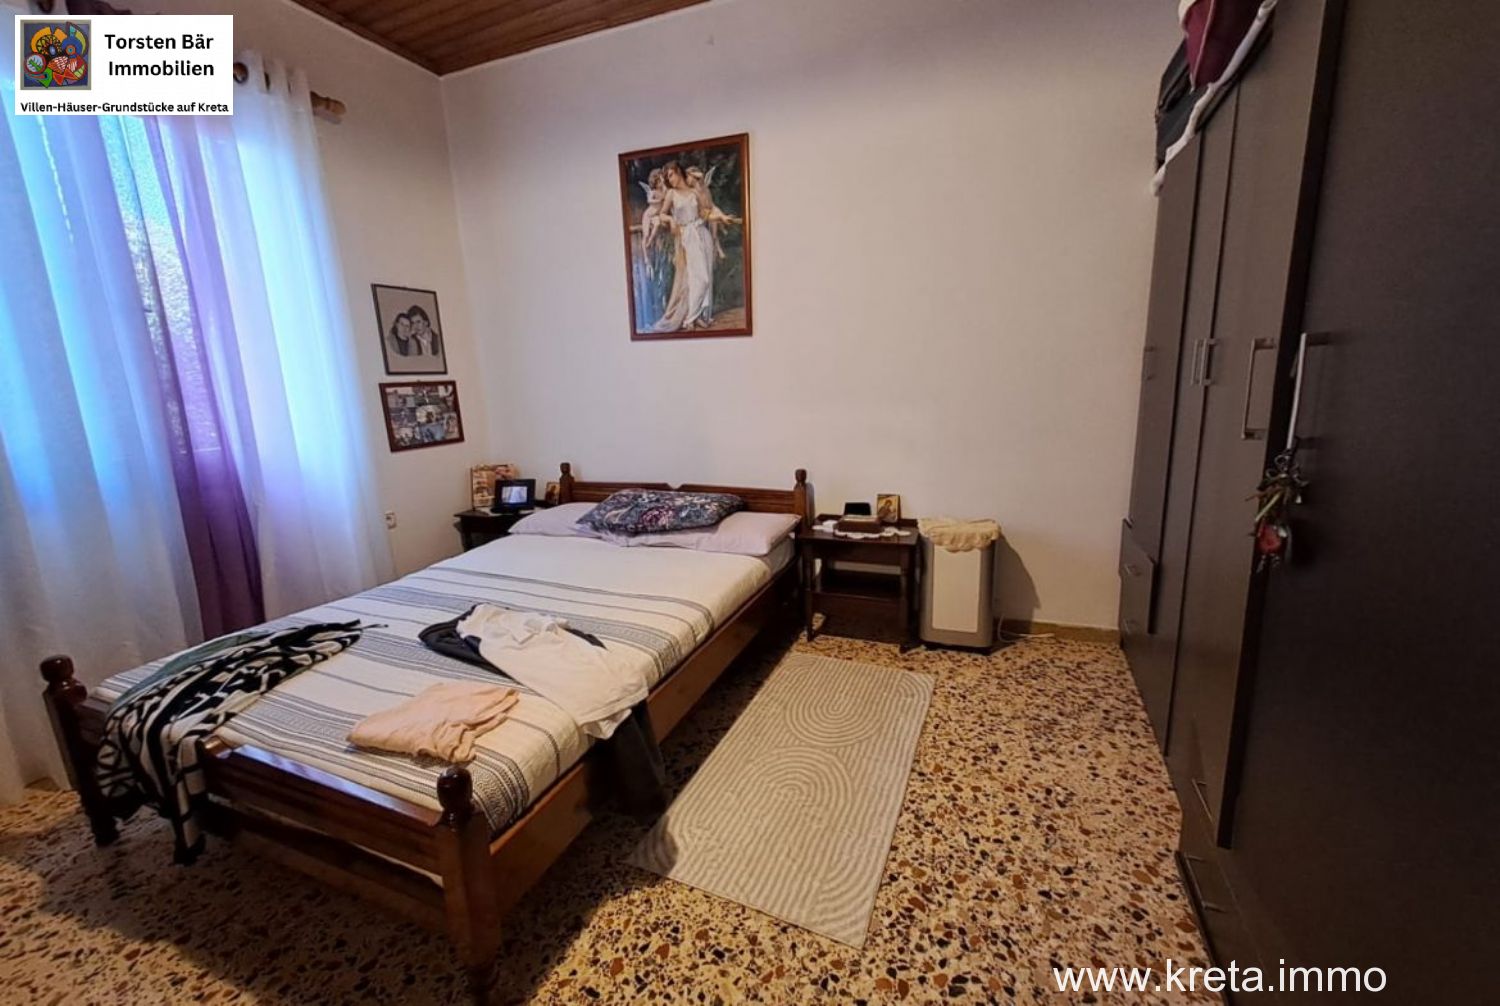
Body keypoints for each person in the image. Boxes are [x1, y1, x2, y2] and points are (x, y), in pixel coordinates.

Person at [652, 162, 718, 332]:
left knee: (702, 277)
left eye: (671, 175)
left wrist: (701, 185)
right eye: (667, 178)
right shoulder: (671, 194)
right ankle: (689, 319)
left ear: (679, 172)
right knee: (699, 278)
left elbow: (706, 210)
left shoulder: (693, 192)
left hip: (701, 234)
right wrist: (671, 220)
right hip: (687, 237)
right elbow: (662, 214)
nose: (670, 180)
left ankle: (697, 316)